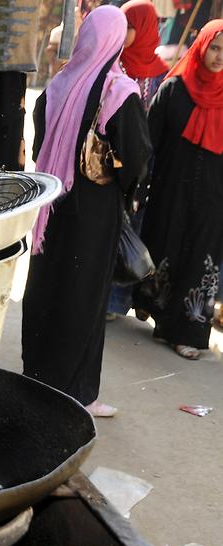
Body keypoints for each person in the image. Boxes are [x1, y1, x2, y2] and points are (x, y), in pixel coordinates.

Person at [22, 6, 152, 418]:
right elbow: (136, 157)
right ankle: (77, 393)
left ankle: (37, 376)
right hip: (94, 214)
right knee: (83, 297)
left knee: (48, 287)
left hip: (51, 207)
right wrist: (129, 193)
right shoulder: (119, 92)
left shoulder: (58, 85)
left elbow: (43, 139)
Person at [133, 20, 223, 360]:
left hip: (214, 199)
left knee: (201, 261)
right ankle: (156, 312)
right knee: (165, 249)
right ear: (200, 47)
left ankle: (188, 332)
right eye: (214, 47)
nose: (218, 57)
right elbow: (147, 143)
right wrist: (138, 189)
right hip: (171, 191)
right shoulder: (174, 90)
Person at [106, 0, 170, 319]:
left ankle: (120, 301)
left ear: (145, 29)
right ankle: (108, 300)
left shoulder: (161, 76)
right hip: (116, 161)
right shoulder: (113, 64)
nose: (126, 32)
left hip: (147, 166)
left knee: (135, 230)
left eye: (132, 26)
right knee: (114, 228)